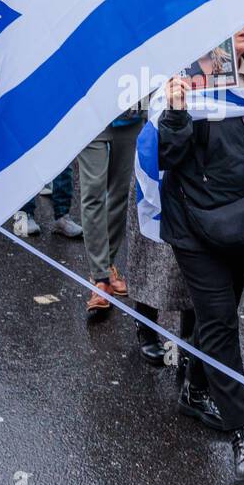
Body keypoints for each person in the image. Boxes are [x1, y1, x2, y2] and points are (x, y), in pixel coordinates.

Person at [158, 57, 244, 485]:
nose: (243, 33)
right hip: (194, 228)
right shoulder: (180, 72)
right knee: (220, 323)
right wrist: (176, 111)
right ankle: (243, 439)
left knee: (218, 316)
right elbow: (166, 154)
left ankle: (196, 389)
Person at [77, 98, 144, 319]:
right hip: (90, 114)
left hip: (129, 113)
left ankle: (108, 265)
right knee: (93, 192)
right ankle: (101, 279)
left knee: (121, 192)